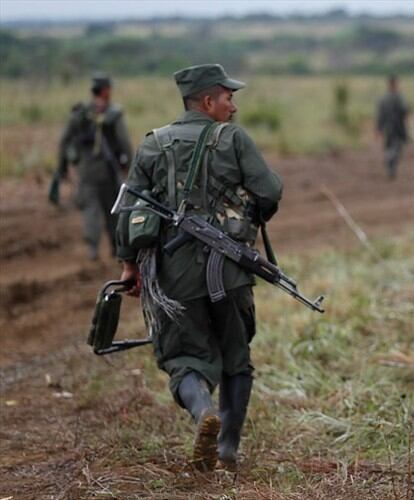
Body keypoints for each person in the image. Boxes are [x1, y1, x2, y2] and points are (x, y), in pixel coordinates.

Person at [115, 64, 283, 472]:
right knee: (236, 356)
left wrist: (128, 267)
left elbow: (128, 209)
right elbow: (270, 191)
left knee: (183, 356)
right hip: (230, 270)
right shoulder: (234, 139)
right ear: (208, 102)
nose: (234, 106)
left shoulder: (154, 143)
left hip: (173, 275)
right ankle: (226, 446)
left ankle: (203, 409)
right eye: (228, 97)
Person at [54, 73, 132, 260]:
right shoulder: (112, 113)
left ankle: (93, 249)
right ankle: (116, 247)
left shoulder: (80, 113)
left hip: (85, 171)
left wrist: (62, 167)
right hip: (108, 172)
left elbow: (64, 142)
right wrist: (128, 166)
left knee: (91, 210)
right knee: (112, 210)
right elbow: (124, 142)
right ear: (105, 91)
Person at [375, 74, 410, 180]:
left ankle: (391, 170)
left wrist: (378, 129)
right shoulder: (399, 97)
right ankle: (389, 159)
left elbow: (380, 116)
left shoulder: (383, 99)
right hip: (398, 127)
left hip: (387, 128)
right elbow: (405, 111)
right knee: (396, 149)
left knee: (390, 146)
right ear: (395, 83)